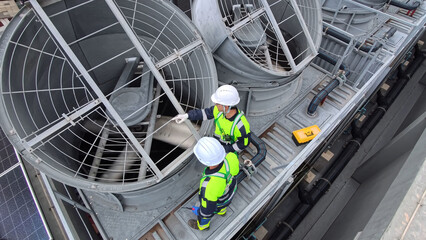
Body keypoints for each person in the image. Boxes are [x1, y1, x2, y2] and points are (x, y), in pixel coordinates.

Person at [172, 85, 251, 153]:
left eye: (217, 103)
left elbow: (243, 143)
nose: (215, 105)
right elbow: (205, 113)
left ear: (226, 106)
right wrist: (187, 115)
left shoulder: (241, 126)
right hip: (216, 143)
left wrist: (226, 149)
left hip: (227, 150)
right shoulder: (219, 110)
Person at [188, 137, 240, 230]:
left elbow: (207, 210)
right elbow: (235, 171)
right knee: (224, 204)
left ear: (202, 160)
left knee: (206, 214)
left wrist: (200, 212)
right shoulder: (231, 156)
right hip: (230, 193)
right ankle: (222, 212)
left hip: (218, 202)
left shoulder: (208, 186)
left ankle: (203, 226)